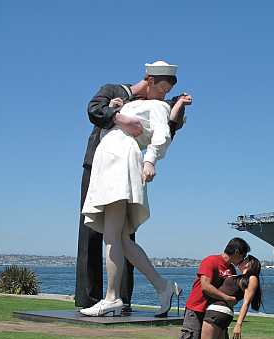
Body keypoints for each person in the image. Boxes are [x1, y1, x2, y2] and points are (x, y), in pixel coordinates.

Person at [80, 61, 192, 317]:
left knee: (112, 235)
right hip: (107, 160)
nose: (163, 94)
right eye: (161, 89)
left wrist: (151, 159)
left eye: (166, 91)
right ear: (150, 81)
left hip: (120, 159)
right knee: (119, 238)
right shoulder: (131, 101)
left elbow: (162, 134)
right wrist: (116, 108)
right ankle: (162, 287)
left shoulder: (158, 106)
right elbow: (99, 112)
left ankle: (112, 297)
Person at [177, 237, 250, 339]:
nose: (243, 260)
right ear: (236, 252)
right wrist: (226, 297)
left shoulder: (231, 268)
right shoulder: (210, 261)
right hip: (196, 310)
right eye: (243, 256)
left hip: (215, 314)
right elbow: (205, 286)